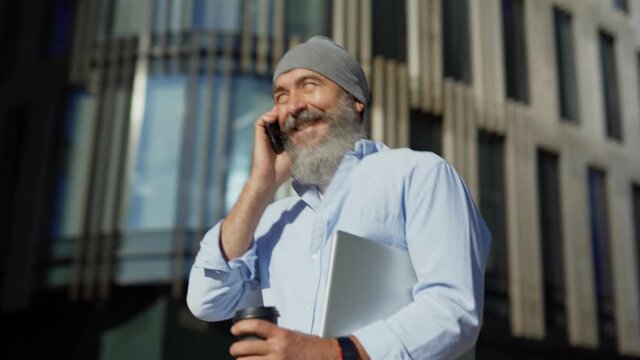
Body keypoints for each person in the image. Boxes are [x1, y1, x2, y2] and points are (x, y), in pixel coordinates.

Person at [187, 36, 491, 359]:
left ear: (354, 100)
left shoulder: (419, 175)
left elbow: (454, 310)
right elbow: (208, 300)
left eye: (309, 86)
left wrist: (332, 353)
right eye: (281, 96)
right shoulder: (273, 220)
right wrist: (261, 183)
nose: (293, 106)